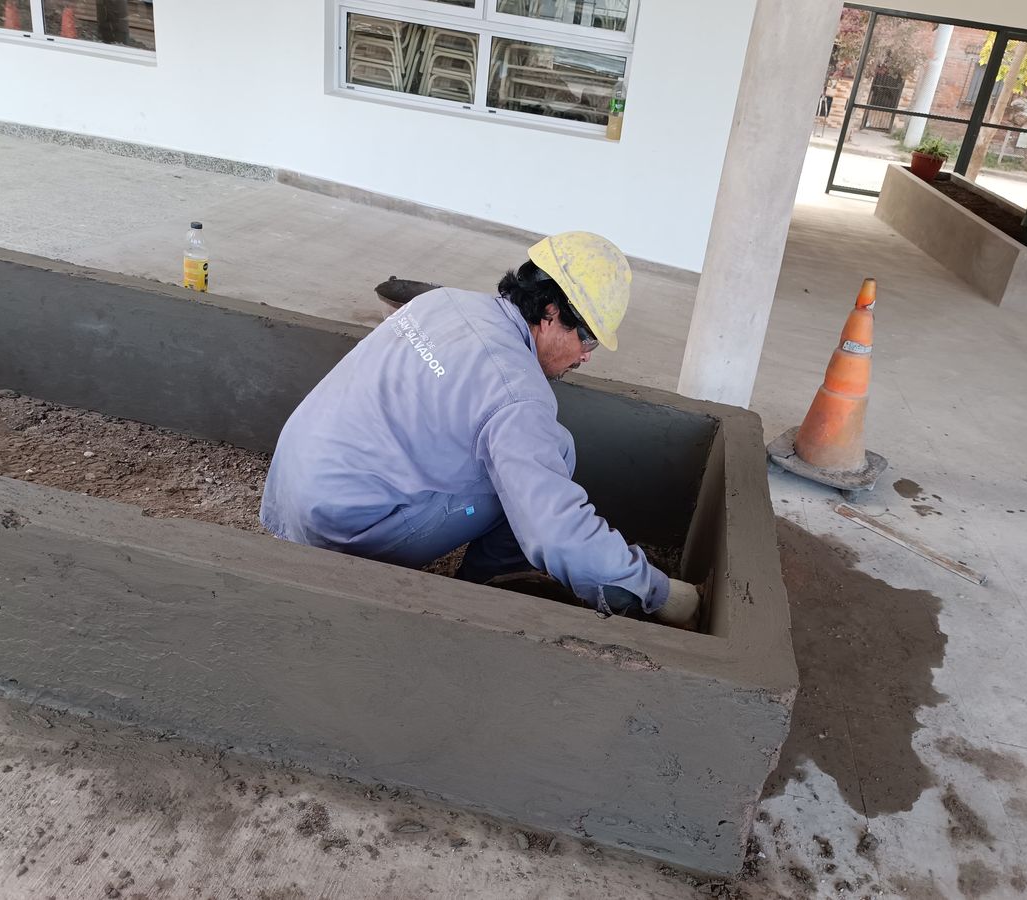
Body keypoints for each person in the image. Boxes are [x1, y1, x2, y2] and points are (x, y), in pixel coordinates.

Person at [260, 231, 701, 626]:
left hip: (290, 488)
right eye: (588, 340)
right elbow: (557, 531)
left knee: (522, 452)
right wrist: (656, 592)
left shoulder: (443, 301)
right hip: (338, 538)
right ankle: (480, 596)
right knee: (550, 458)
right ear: (551, 313)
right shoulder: (516, 395)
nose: (586, 356)